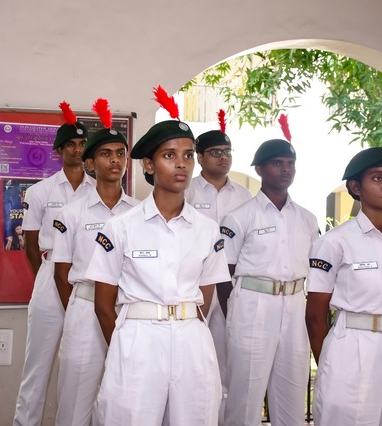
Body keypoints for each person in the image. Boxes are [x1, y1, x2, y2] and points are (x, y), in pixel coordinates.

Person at [85, 86, 230, 426]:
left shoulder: (207, 230)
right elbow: (103, 304)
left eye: (188, 155)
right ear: (148, 165)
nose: (181, 164)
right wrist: (125, 347)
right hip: (138, 338)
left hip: (191, 337)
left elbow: (206, 296)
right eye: (169, 155)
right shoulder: (120, 227)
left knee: (195, 418)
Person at [305, 115, 382, 425]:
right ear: (355, 187)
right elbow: (315, 315)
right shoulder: (335, 242)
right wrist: (329, 363)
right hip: (352, 347)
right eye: (378, 178)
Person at [221, 118, 319, 426]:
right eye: (277, 163)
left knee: (292, 391)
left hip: (294, 305)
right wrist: (234, 314)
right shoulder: (239, 217)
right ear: (260, 169)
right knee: (246, 393)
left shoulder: (307, 219)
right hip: (253, 306)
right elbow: (224, 274)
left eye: (290, 163)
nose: (286, 169)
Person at [53, 99, 139, 426]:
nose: (115, 160)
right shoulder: (71, 213)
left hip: (127, 311)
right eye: (105, 154)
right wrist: (77, 312)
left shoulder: (140, 212)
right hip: (86, 309)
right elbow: (61, 274)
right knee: (75, 402)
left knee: (123, 402)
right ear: (89, 162)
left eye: (120, 153)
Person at [13, 101, 96, 426]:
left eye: (82, 143)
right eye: (70, 145)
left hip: (87, 279)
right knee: (37, 367)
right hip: (50, 276)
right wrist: (46, 276)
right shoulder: (40, 191)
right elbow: (31, 244)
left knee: (84, 365)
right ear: (59, 151)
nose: (77, 150)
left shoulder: (98, 191)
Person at [184, 109, 251, 424]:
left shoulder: (245, 195)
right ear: (199, 157)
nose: (223, 157)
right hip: (194, 284)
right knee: (192, 360)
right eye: (215, 152)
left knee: (227, 360)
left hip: (230, 284)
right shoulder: (187, 191)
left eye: (227, 151)